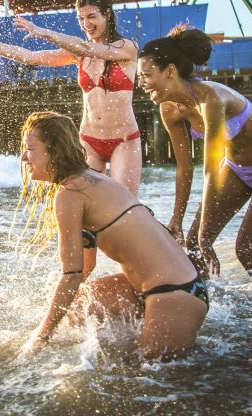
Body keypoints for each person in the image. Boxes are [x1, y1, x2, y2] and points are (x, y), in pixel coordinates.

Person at [18, 111, 208, 360]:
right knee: (78, 306)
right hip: (169, 285)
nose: (23, 157)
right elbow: (86, 267)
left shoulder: (70, 193)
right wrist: (54, 316)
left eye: (30, 149)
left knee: (148, 379)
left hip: (173, 294)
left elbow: (71, 275)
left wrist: (39, 338)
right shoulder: (92, 179)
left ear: (53, 150)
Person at [137, 26, 252, 311]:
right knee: (193, 244)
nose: (142, 83)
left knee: (247, 249)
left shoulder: (211, 98)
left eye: (147, 76)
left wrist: (203, 235)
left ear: (170, 71)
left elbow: (210, 167)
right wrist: (176, 219)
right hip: (236, 168)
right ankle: (206, 308)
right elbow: (184, 168)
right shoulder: (169, 109)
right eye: (140, 77)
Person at [0, 0, 142, 196]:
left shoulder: (126, 48)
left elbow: (87, 48)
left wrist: (42, 32)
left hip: (123, 139)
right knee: (88, 206)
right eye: (80, 18)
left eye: (92, 16)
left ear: (107, 14)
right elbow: (30, 56)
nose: (86, 24)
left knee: (125, 204)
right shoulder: (78, 54)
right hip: (89, 139)